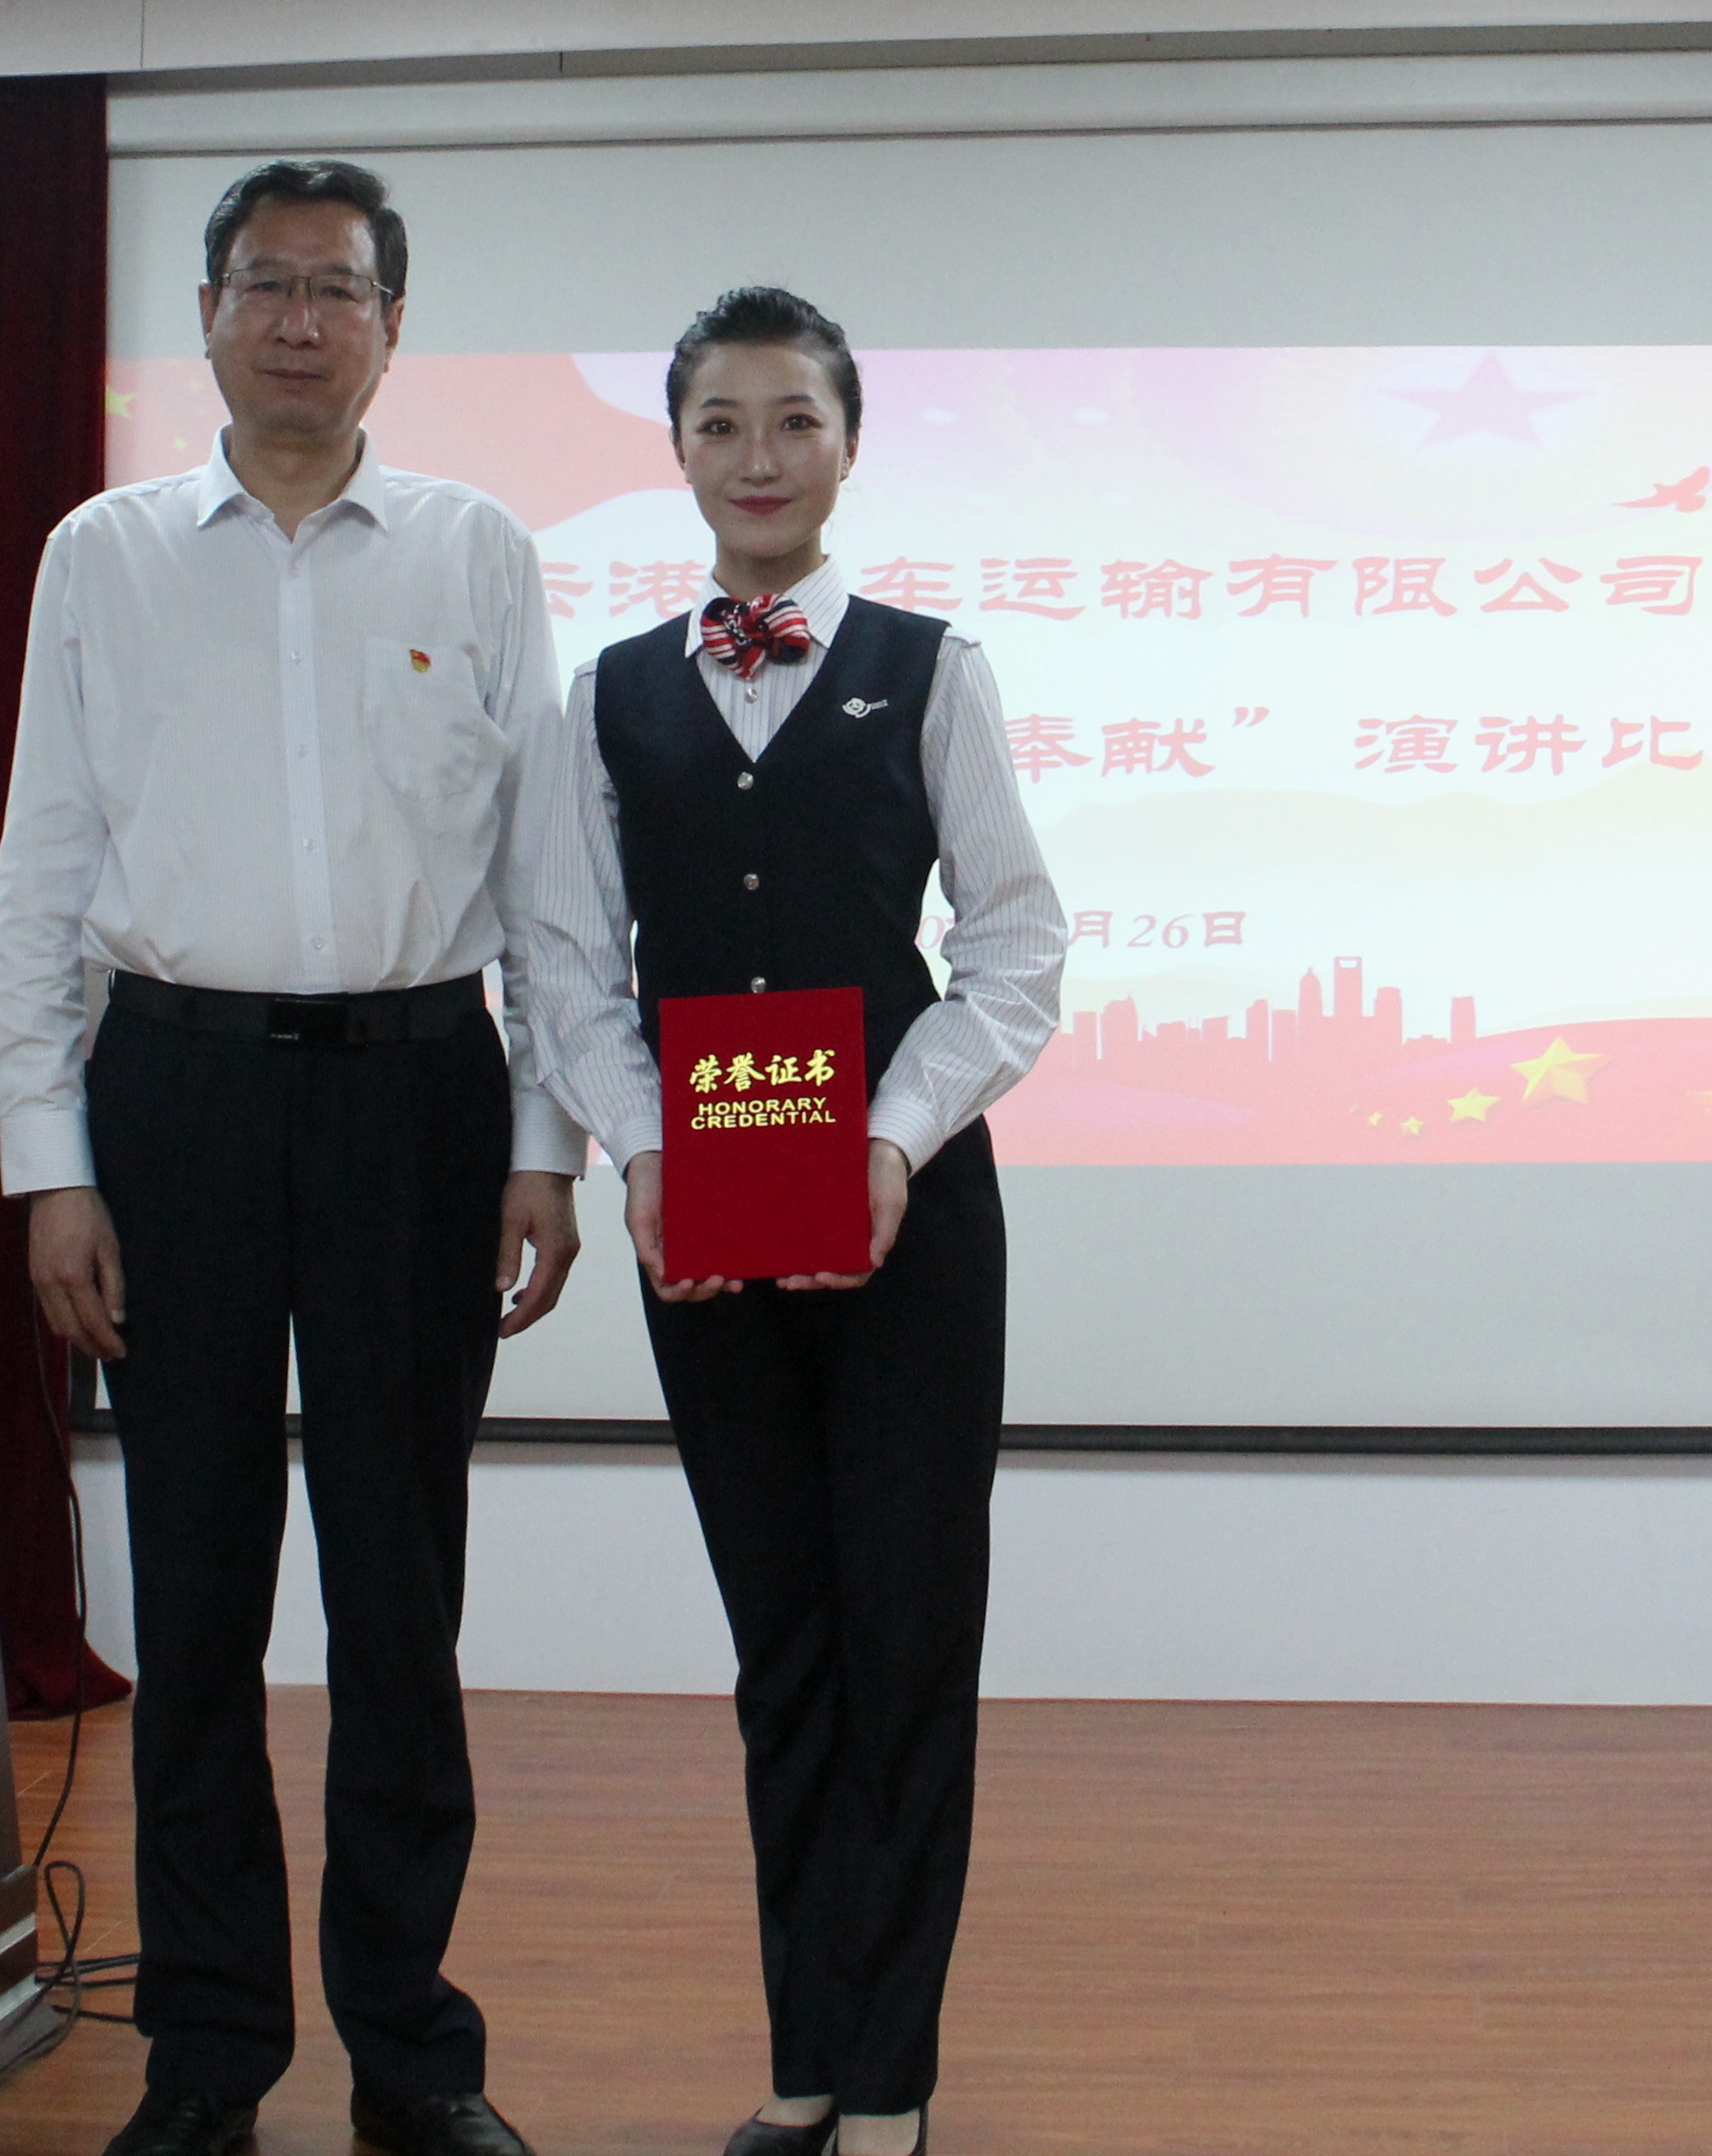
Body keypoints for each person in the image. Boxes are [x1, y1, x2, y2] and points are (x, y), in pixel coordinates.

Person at [0, 159, 583, 2156]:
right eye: (266, 284)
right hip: (178, 1103)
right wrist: (51, 1160)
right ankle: (209, 2056)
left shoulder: (476, 552)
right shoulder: (106, 555)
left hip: (421, 1099)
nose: (300, 320)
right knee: (199, 1596)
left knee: (402, 1605)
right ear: (210, 316)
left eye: (339, 288)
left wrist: (546, 1136)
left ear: (395, 327)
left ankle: (414, 2056)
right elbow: (43, 869)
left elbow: (543, 875)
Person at [523, 288, 1066, 2156]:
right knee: (782, 1647)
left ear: (847, 444)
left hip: (911, 1230)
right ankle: (806, 2060)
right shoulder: (609, 695)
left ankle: (890, 2082)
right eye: (721, 424)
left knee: (905, 1643)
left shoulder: (931, 668)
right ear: (677, 449)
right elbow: (568, 962)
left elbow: (1015, 947)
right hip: (704, 1224)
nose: (757, 458)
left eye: (794, 422)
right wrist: (639, 1145)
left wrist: (896, 1137)